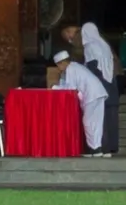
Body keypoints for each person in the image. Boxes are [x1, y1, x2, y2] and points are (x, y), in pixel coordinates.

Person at [46, 20, 112, 157]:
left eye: (59, 65)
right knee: (95, 122)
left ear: (62, 63)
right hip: (98, 93)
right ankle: (96, 149)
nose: (59, 68)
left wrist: (54, 87)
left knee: (88, 122)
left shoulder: (70, 68)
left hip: (93, 95)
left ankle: (95, 149)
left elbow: (69, 88)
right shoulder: (75, 67)